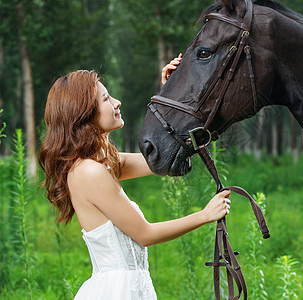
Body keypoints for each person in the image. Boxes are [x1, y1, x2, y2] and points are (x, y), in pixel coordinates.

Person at [38, 56, 231, 299]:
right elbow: (144, 234)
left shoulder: (100, 163)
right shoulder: (89, 172)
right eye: (106, 98)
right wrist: (204, 215)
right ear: (83, 112)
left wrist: (172, 91)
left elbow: (162, 156)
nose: (117, 103)